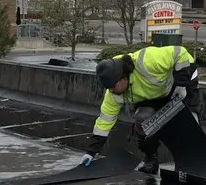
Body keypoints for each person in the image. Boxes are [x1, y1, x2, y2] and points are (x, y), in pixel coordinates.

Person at [82, 44, 199, 174]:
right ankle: (151, 159)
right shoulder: (114, 94)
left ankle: (195, 162)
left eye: (113, 86)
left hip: (181, 76)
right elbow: (104, 122)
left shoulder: (147, 61)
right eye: (108, 88)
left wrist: (181, 84)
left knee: (188, 120)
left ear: (122, 78)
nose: (111, 91)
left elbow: (180, 52)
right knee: (142, 119)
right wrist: (91, 152)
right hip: (155, 92)